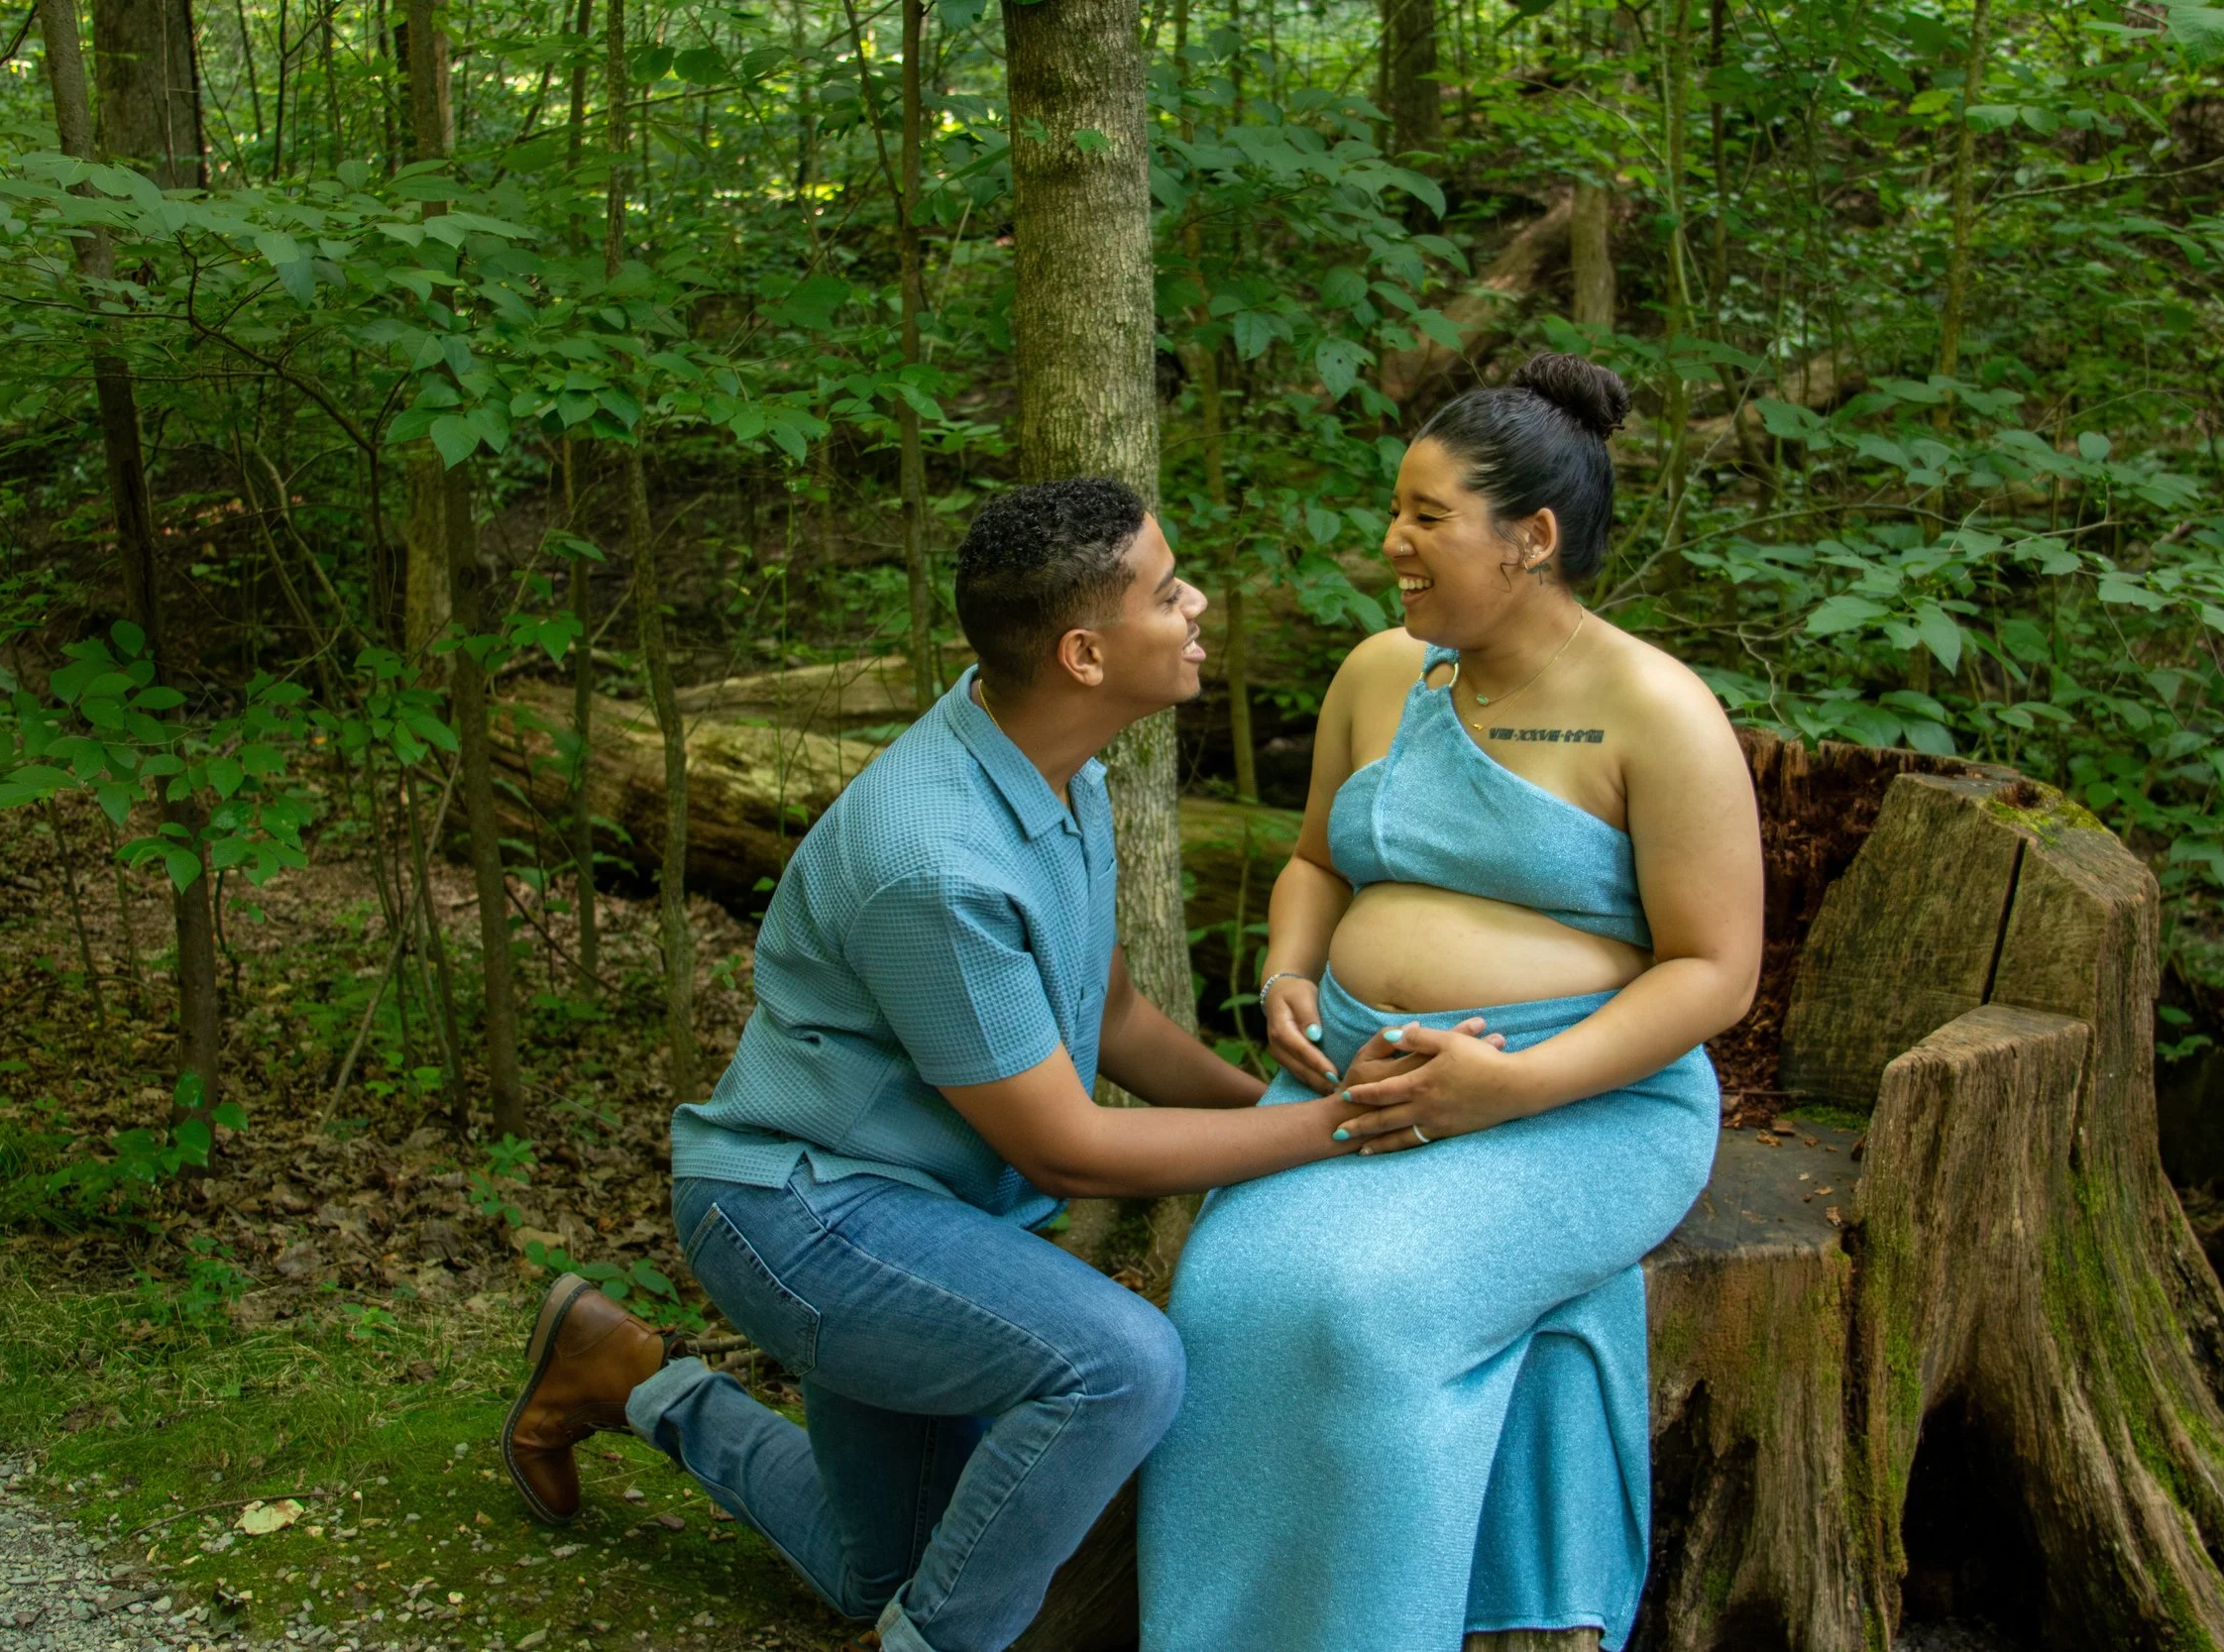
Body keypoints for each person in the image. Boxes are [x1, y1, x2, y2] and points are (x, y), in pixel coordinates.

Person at [496, 477, 1476, 1652]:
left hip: (919, 1213)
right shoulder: (937, 860)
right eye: (1167, 592)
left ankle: (625, 1375)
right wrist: (1351, 1122)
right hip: (808, 1215)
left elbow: (1108, 1009)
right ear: (1082, 651)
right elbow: (1066, 1144)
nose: (1197, 601)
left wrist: (1292, 1098)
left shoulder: (1060, 765)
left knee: (889, 1569)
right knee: (1118, 1364)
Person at [1138, 355, 1765, 1652]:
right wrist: (1286, 975)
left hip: (1584, 1100)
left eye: (1426, 516)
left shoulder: (1658, 710)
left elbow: (1716, 969)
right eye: (1398, 510)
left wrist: (1517, 1084)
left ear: (1530, 538)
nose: (1392, 544)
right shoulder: (1383, 674)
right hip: (1353, 1078)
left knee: (1365, 1308)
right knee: (1224, 1289)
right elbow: (1314, 858)